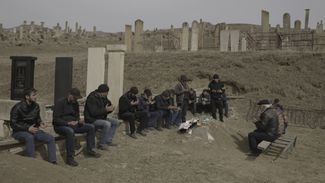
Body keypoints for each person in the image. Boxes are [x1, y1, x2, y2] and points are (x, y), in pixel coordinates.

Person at [53, 88, 100, 167]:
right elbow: (56, 119)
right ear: (70, 95)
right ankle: (70, 158)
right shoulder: (60, 103)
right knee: (70, 131)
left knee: (91, 127)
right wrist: (67, 123)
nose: (76, 100)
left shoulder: (75, 104)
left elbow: (76, 116)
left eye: (77, 98)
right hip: (61, 126)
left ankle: (90, 149)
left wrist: (79, 120)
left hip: (74, 124)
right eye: (75, 98)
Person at [10, 88, 57, 164]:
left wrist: (41, 122)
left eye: (36, 95)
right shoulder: (17, 107)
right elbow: (13, 124)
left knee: (50, 138)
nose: (36, 97)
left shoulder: (36, 106)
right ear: (27, 97)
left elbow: (37, 119)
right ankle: (32, 162)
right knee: (29, 137)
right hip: (19, 131)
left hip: (34, 130)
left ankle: (53, 161)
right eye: (33, 95)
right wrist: (27, 128)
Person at [84, 84, 119, 150]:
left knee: (115, 122)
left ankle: (108, 140)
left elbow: (108, 106)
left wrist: (111, 109)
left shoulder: (103, 97)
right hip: (92, 119)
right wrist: (105, 110)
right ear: (103, 92)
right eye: (106, 93)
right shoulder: (92, 98)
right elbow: (93, 112)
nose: (107, 94)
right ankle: (102, 144)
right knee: (107, 124)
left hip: (101, 118)